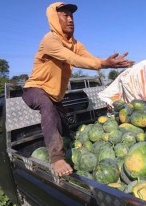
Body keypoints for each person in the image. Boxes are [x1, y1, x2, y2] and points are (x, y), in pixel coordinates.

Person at [22, 2, 134, 177]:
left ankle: (68, 151)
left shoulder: (75, 43)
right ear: (54, 18)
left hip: (55, 96)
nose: (70, 19)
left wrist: (108, 64)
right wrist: (103, 63)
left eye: (71, 16)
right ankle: (56, 158)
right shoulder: (50, 40)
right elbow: (72, 59)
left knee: (65, 127)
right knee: (47, 106)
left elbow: (90, 60)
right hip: (34, 90)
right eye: (64, 15)